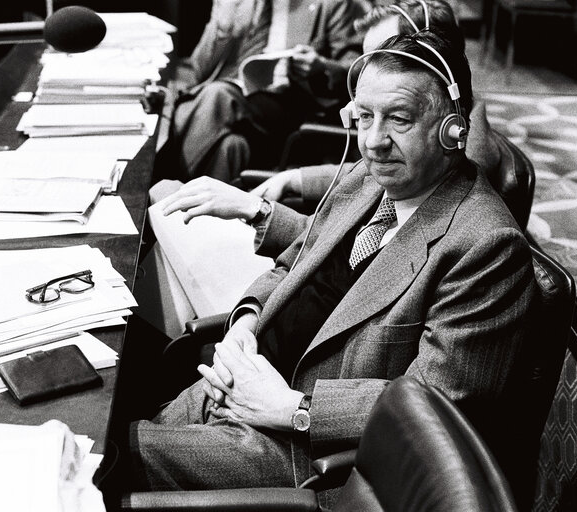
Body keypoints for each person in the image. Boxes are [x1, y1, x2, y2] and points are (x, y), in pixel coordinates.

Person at [131, 31, 535, 508]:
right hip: (247, 382)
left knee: (111, 459)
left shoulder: (486, 246)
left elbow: (433, 406)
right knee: (115, 433)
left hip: (314, 453)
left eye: (398, 119)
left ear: (453, 128)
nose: (373, 141)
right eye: (363, 117)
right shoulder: (367, 180)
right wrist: (244, 327)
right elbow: (290, 264)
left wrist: (292, 410)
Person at [159, 0, 509, 260]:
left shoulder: (463, 170)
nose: (372, 141)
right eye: (368, 59)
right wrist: (291, 181)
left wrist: (260, 210)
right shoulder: (408, 149)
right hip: (324, 252)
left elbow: (368, 258)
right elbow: (358, 189)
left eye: (385, 58)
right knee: (223, 150)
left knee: (206, 116)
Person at [156, 0, 365, 184]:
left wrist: (321, 67)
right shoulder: (240, 3)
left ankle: (163, 183)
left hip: (287, 105)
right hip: (226, 109)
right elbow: (198, 71)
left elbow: (357, 69)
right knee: (230, 147)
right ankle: (197, 218)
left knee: (216, 96)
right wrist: (221, 30)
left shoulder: (332, 4)